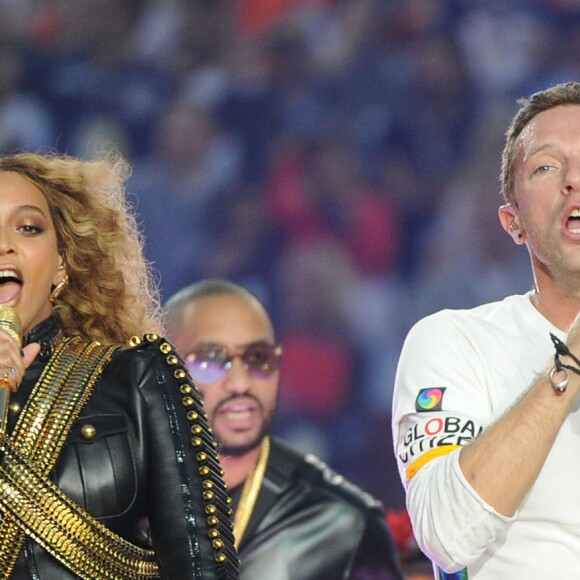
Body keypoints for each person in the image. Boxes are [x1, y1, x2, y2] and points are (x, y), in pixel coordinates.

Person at [0, 150, 238, 579]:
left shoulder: (137, 375)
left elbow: (201, 566)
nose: (3, 244)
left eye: (28, 227)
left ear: (62, 261)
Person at [392, 80, 580, 579]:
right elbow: (446, 536)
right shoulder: (454, 342)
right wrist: (572, 355)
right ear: (512, 221)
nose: (574, 181)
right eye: (546, 166)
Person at [164, 279, 404, 580]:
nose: (240, 383)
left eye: (257, 359)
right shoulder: (118, 505)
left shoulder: (343, 524)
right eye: (211, 361)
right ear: (162, 371)